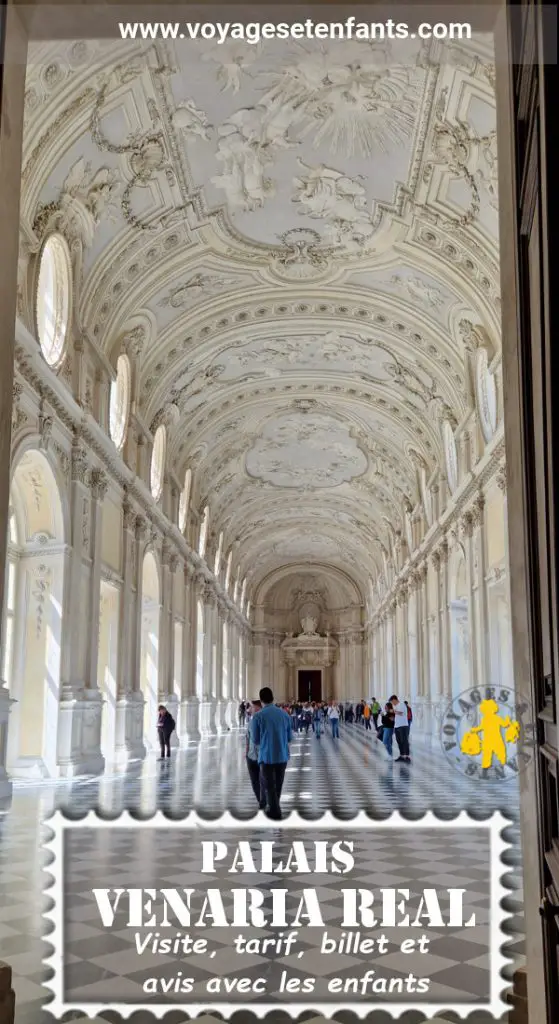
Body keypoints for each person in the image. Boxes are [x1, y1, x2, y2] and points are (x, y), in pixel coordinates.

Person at [251, 687, 292, 820]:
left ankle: (275, 811)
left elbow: (255, 739)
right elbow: (290, 737)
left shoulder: (258, 716)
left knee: (269, 785)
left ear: (261, 700)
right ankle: (275, 807)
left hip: (267, 755)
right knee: (278, 784)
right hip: (282, 755)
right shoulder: (284, 714)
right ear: (273, 698)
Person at [246, 699, 266, 810]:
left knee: (263, 780)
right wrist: (246, 754)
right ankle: (260, 800)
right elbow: (247, 737)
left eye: (252, 707)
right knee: (254, 781)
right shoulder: (251, 720)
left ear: (258, 708)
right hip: (251, 756)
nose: (249, 709)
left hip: (262, 756)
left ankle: (264, 802)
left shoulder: (264, 720)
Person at [390, 694, 411, 762]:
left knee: (404, 741)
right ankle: (402, 755)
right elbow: (397, 715)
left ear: (394, 700)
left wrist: (393, 711)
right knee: (399, 741)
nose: (392, 703)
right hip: (397, 726)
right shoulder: (396, 706)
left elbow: (401, 713)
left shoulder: (401, 704)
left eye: (392, 702)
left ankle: (407, 756)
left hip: (403, 726)